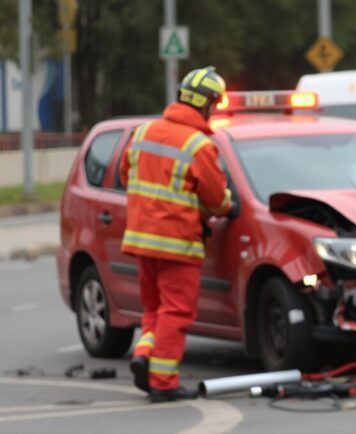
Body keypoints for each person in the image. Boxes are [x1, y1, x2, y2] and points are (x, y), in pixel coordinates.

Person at [120, 66, 235, 403]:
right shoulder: (199, 145)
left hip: (141, 240)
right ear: (207, 104)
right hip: (177, 245)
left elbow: (128, 177)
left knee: (154, 307)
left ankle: (144, 355)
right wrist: (227, 205)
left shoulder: (142, 133)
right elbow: (216, 201)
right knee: (177, 311)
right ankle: (163, 382)